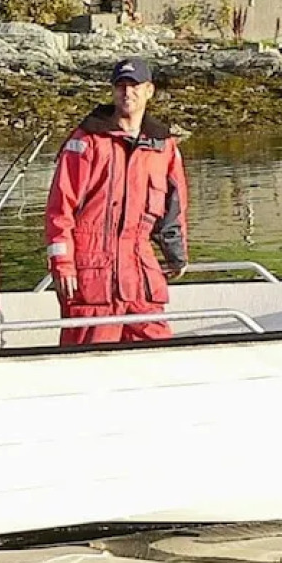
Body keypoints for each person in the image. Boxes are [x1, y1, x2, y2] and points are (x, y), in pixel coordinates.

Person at [45, 55, 188, 347]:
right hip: (92, 277)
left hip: (140, 275)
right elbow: (60, 210)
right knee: (87, 361)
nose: (127, 92)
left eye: (134, 85)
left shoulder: (164, 147)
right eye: (121, 86)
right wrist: (62, 263)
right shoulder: (86, 141)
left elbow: (173, 209)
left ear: (149, 90)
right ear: (112, 91)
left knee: (161, 356)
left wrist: (176, 254)